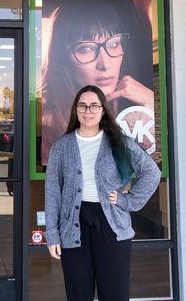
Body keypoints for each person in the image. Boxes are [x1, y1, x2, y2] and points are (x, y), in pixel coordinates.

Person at [44, 85, 161, 301]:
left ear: (103, 110)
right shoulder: (61, 147)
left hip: (112, 225)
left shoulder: (119, 142)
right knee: (78, 294)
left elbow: (151, 172)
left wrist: (129, 201)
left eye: (94, 106)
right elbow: (53, 192)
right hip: (74, 228)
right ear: (76, 110)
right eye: (83, 106)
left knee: (114, 293)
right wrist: (52, 233)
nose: (88, 111)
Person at [41, 0, 154, 165]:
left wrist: (151, 105)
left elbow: (148, 169)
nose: (105, 64)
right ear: (62, 59)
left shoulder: (127, 109)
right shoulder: (51, 128)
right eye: (86, 48)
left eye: (114, 44)